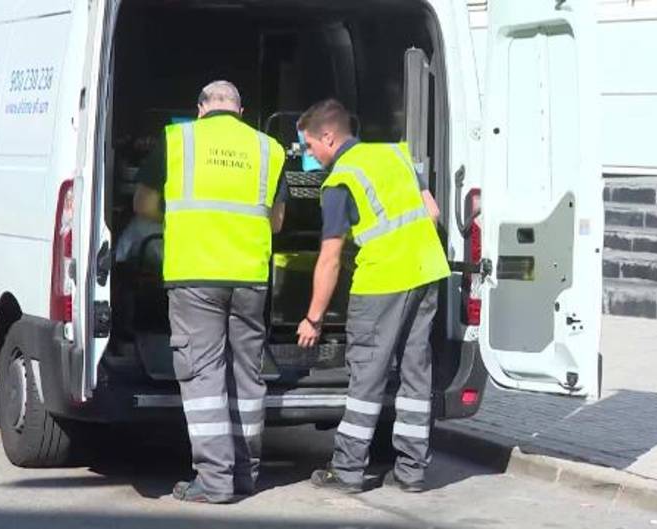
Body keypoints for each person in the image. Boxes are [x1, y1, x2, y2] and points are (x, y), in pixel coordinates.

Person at [295, 99, 449, 493]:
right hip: (426, 271)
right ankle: (413, 472)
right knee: (416, 373)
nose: (310, 156)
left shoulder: (339, 180)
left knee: (367, 376)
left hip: (382, 281)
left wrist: (313, 317)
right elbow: (430, 212)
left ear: (328, 136)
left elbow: (329, 258)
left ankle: (347, 471)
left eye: (310, 147)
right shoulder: (395, 155)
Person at [163, 80, 287, 503]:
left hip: (195, 276)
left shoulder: (179, 140)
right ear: (240, 109)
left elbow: (145, 203)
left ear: (200, 109)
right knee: (245, 376)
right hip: (250, 278)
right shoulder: (269, 149)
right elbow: (277, 222)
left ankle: (214, 481)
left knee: (203, 375)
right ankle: (245, 473)